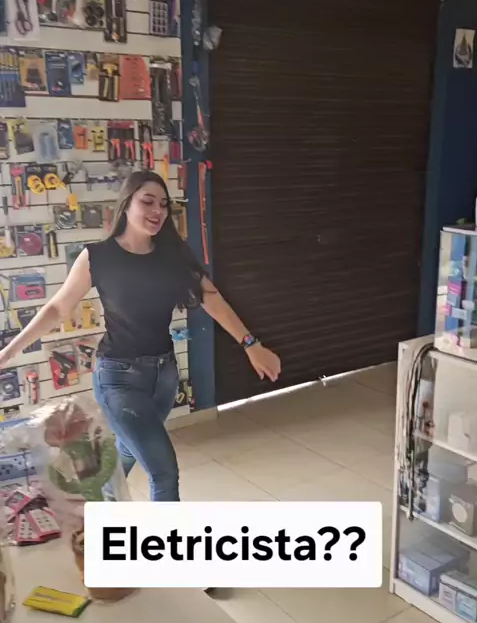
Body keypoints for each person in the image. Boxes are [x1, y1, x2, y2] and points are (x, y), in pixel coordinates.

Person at [0, 171, 281, 503]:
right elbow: (57, 308)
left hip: (164, 376)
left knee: (129, 449)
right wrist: (9, 352)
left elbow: (211, 298)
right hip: (118, 378)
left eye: (163, 204)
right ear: (126, 204)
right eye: (147, 201)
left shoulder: (173, 255)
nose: (157, 210)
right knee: (164, 472)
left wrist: (251, 345)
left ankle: (102, 505)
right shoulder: (98, 256)